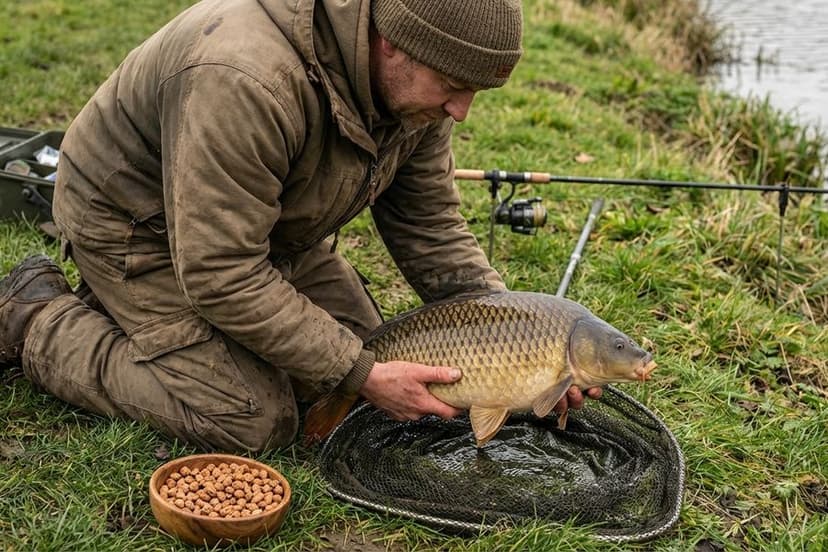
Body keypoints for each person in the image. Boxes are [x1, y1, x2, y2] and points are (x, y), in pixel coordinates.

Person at [0, 0, 600, 452]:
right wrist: (360, 371)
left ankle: (151, 327)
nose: (460, 111)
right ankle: (36, 318)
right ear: (394, 45)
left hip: (267, 230)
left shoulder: (417, 93)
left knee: (361, 369)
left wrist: (524, 331)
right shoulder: (246, 77)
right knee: (253, 418)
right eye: (454, 87)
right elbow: (219, 270)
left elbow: (429, 224)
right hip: (136, 224)